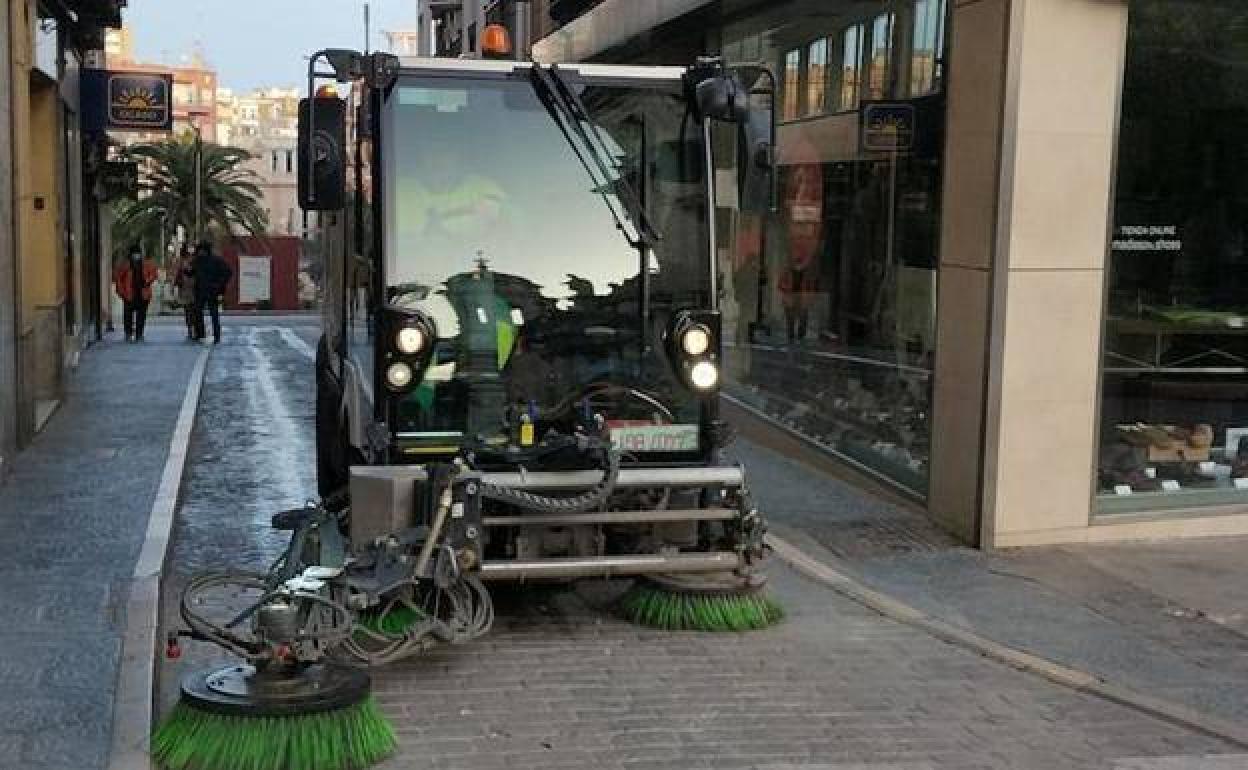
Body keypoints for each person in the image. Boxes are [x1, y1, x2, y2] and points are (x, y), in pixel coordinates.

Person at [113, 245, 159, 342]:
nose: (136, 256)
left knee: (141, 316)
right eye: (135, 253)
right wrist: (122, 292)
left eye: (138, 253)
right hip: (129, 293)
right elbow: (118, 278)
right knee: (128, 315)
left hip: (143, 294)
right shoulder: (125, 265)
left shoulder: (146, 264)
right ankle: (128, 333)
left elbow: (154, 274)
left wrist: (147, 281)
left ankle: (139, 334)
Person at [192, 240, 232, 344]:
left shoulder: (216, 260)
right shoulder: (197, 261)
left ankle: (216, 335)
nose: (200, 253)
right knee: (197, 312)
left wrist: (219, 284)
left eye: (201, 250)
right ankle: (200, 333)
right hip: (200, 291)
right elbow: (192, 273)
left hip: (211, 291)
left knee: (214, 314)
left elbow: (228, 272)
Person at [172, 244, 197, 341]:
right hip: (185, 289)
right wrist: (174, 285)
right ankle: (190, 330)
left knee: (194, 310)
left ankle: (194, 329)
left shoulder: (196, 261)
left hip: (195, 289)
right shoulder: (182, 262)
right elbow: (177, 274)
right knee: (188, 310)